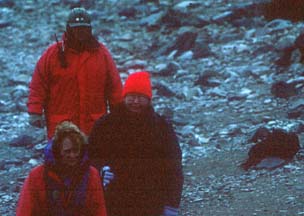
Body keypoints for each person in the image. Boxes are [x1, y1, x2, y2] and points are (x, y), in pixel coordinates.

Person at [89, 71, 184, 216]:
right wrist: (100, 170)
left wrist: (171, 205)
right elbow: (91, 155)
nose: (135, 102)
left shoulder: (161, 127)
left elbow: (173, 168)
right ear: (124, 97)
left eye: (140, 97)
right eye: (131, 97)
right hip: (114, 200)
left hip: (151, 201)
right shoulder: (106, 125)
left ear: (149, 99)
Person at [27, 7, 122, 139]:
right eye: (76, 28)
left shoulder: (102, 54)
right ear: (68, 29)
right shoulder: (52, 53)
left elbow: (114, 87)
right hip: (61, 127)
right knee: (62, 157)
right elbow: (38, 84)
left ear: (90, 29)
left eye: (83, 28)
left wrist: (119, 114)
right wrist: (35, 111)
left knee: (95, 158)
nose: (80, 32)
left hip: (94, 127)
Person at [16, 121, 107, 216]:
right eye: (67, 151)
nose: (72, 155)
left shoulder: (91, 174)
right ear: (57, 151)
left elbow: (99, 209)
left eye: (76, 150)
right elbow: (24, 210)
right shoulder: (37, 175)